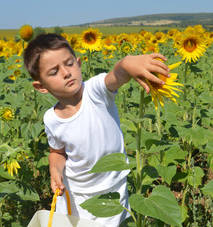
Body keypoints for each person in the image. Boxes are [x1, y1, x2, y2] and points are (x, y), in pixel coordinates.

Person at [23, 33, 170, 227]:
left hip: (111, 192)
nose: (66, 73)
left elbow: (116, 75)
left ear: (79, 63)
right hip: (74, 195)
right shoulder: (51, 118)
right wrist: (55, 169)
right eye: (54, 72)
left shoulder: (95, 92)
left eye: (69, 64)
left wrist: (127, 63)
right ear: (41, 86)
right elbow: (57, 151)